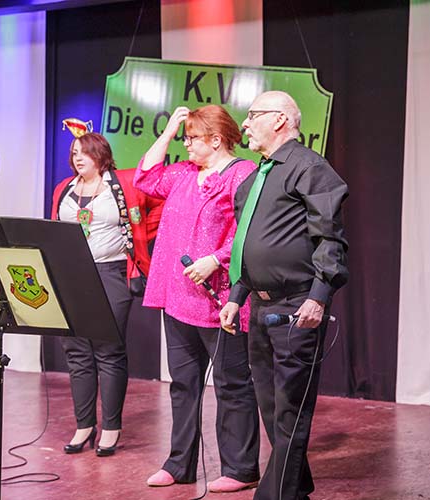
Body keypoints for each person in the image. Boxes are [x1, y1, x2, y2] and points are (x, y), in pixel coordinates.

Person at [219, 91, 349, 500]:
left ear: (278, 119)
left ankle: (275, 495)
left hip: (297, 305)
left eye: (252, 115)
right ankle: (298, 487)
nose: (244, 124)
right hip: (259, 306)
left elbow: (330, 239)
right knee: (272, 407)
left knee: (291, 407)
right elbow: (247, 242)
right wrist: (237, 295)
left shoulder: (309, 168)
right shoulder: (255, 178)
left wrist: (319, 296)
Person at [134, 105, 260, 493]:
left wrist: (215, 259)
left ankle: (240, 468)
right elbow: (145, 177)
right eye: (185, 137)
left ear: (216, 140)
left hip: (219, 299)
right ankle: (180, 463)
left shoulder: (242, 173)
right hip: (178, 297)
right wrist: (169, 130)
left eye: (192, 137)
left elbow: (249, 231)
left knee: (231, 384)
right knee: (183, 384)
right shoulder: (185, 173)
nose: (186, 144)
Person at [51, 132, 162, 457]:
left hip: (111, 272)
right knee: (76, 352)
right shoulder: (64, 188)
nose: (78, 158)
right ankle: (84, 425)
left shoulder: (122, 183)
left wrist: (140, 234)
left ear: (100, 154)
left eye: (84, 152)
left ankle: (111, 427)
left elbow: (157, 204)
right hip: (71, 275)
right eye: (74, 152)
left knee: (108, 350)